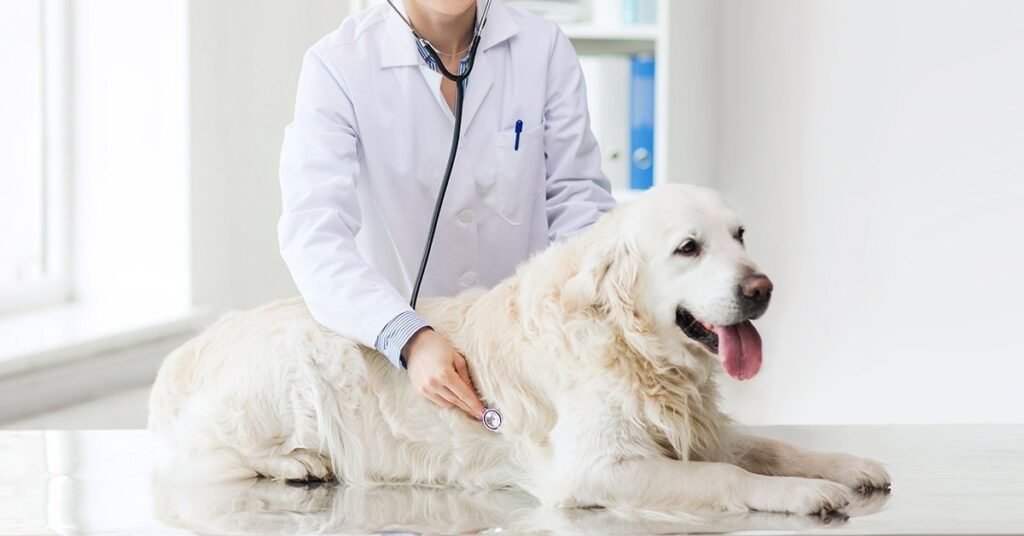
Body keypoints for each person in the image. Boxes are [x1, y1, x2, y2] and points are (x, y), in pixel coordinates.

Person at [278, 0, 615, 423]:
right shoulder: (337, 65)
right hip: (399, 369)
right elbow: (314, 236)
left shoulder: (542, 48)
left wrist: (587, 321)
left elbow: (580, 204)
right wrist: (409, 335)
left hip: (534, 356)